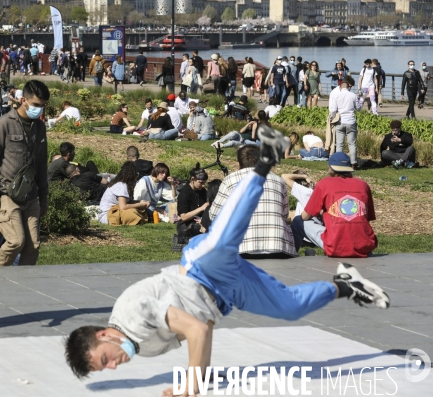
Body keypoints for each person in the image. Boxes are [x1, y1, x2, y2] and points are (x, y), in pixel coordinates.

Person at [64, 127, 390, 397]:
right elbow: (202, 329)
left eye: (104, 360)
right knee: (290, 307)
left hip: (201, 267)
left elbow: (194, 330)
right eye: (104, 369)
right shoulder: (145, 349)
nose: (113, 365)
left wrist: (191, 386)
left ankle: (263, 165)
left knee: (227, 236)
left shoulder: (132, 312)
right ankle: (345, 286)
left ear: (106, 336)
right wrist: (197, 382)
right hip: (224, 292)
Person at [0, 80, 50, 267]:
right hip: (7, 194)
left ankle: (24, 284)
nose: (39, 109)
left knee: (33, 246)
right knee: (15, 241)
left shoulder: (40, 127)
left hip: (31, 195)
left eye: (42, 106)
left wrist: (44, 197)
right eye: (36, 105)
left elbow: (42, 164)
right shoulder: (4, 123)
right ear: (23, 100)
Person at [210, 144, 296, 259]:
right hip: (278, 247)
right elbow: (285, 215)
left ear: (239, 164)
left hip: (240, 249)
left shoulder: (230, 180)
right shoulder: (278, 181)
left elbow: (214, 215)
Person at [291, 152, 378, 258]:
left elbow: (305, 216)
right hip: (364, 247)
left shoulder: (324, 184)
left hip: (335, 246)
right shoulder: (363, 185)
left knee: (297, 221)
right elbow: (365, 218)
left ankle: (292, 256)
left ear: (330, 167)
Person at [98, 161, 149, 225]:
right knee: (132, 212)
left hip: (115, 211)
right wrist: (140, 205)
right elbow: (123, 207)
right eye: (136, 174)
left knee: (137, 210)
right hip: (108, 215)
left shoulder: (120, 184)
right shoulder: (121, 185)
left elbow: (126, 202)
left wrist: (139, 201)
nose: (136, 178)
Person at [330, 76, 360, 167]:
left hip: (340, 121)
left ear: (341, 86)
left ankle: (339, 163)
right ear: (348, 87)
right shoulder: (353, 95)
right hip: (350, 121)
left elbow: (333, 110)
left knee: (340, 144)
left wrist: (332, 119)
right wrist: (361, 99)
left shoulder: (337, 95)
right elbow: (358, 108)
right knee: (352, 144)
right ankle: (353, 162)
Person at [176, 166, 208, 238]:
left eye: (204, 183)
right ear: (192, 179)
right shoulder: (185, 193)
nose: (203, 185)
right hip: (186, 225)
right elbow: (184, 217)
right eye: (201, 183)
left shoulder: (202, 191)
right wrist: (201, 208)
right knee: (198, 228)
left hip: (199, 221)